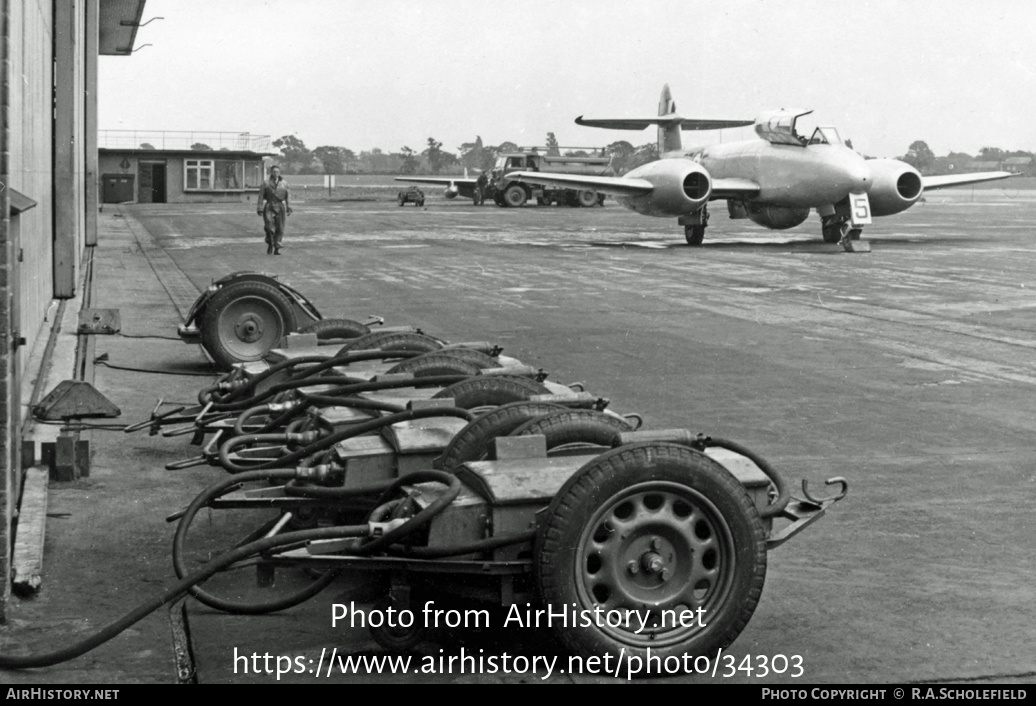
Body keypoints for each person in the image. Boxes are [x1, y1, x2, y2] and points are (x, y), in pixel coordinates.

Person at [257, 165, 292, 254]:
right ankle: (270, 243)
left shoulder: (284, 183)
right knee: (269, 227)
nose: (275, 173)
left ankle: (277, 247)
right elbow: (261, 196)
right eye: (274, 172)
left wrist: (289, 207)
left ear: (279, 173)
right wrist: (260, 208)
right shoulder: (266, 183)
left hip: (280, 207)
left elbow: (288, 196)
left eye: (277, 172)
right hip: (269, 206)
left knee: (280, 228)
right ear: (271, 173)